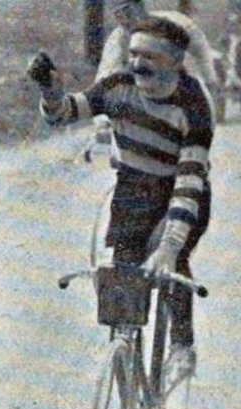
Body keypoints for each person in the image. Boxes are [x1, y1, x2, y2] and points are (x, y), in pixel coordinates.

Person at [29, 17, 214, 377]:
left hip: (179, 192)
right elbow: (68, 112)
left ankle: (181, 346)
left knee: (169, 266)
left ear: (176, 63)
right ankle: (124, 363)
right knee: (123, 283)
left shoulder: (193, 106)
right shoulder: (116, 86)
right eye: (132, 54)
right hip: (133, 188)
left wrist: (169, 248)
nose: (137, 63)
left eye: (149, 56)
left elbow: (189, 182)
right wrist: (50, 94)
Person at [97, 0, 219, 90]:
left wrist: (209, 79)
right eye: (118, 15)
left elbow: (200, 50)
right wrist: (103, 118)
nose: (124, 20)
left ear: (140, 9)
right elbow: (105, 74)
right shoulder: (117, 39)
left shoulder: (174, 23)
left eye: (128, 12)